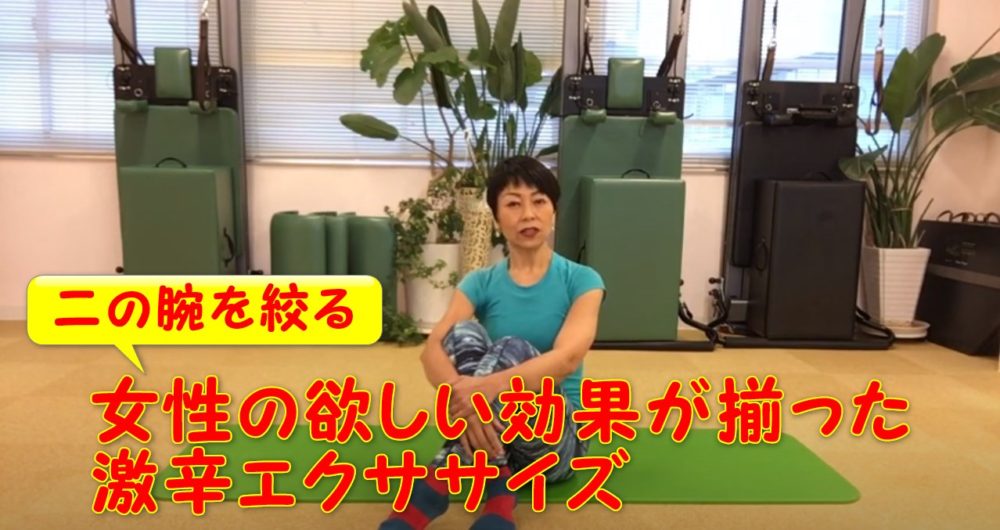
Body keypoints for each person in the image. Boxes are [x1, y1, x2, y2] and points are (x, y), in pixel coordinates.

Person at [380, 156, 605, 530]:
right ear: (497, 218)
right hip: (493, 433)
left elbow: (567, 358)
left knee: (512, 346)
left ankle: (438, 480)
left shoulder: (582, 279)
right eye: (513, 204)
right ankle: (499, 486)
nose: (528, 214)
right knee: (460, 333)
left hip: (554, 439)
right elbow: (432, 350)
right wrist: (469, 403)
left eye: (539, 201)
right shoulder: (480, 282)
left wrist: (479, 391)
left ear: (553, 211)